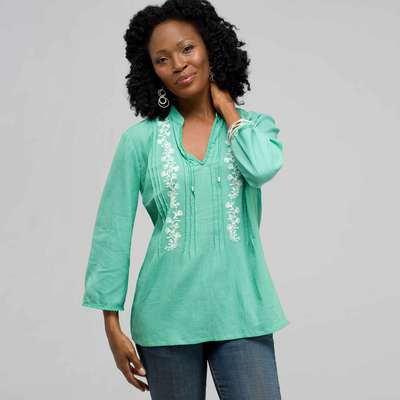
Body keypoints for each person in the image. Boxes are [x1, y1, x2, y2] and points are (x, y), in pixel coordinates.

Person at [81, 0, 289, 398]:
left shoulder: (254, 127)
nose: (178, 64)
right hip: (165, 319)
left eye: (187, 48)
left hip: (243, 311)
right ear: (152, 71)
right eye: (162, 59)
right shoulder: (139, 141)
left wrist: (228, 110)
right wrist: (111, 324)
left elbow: (262, 168)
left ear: (211, 46)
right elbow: (112, 230)